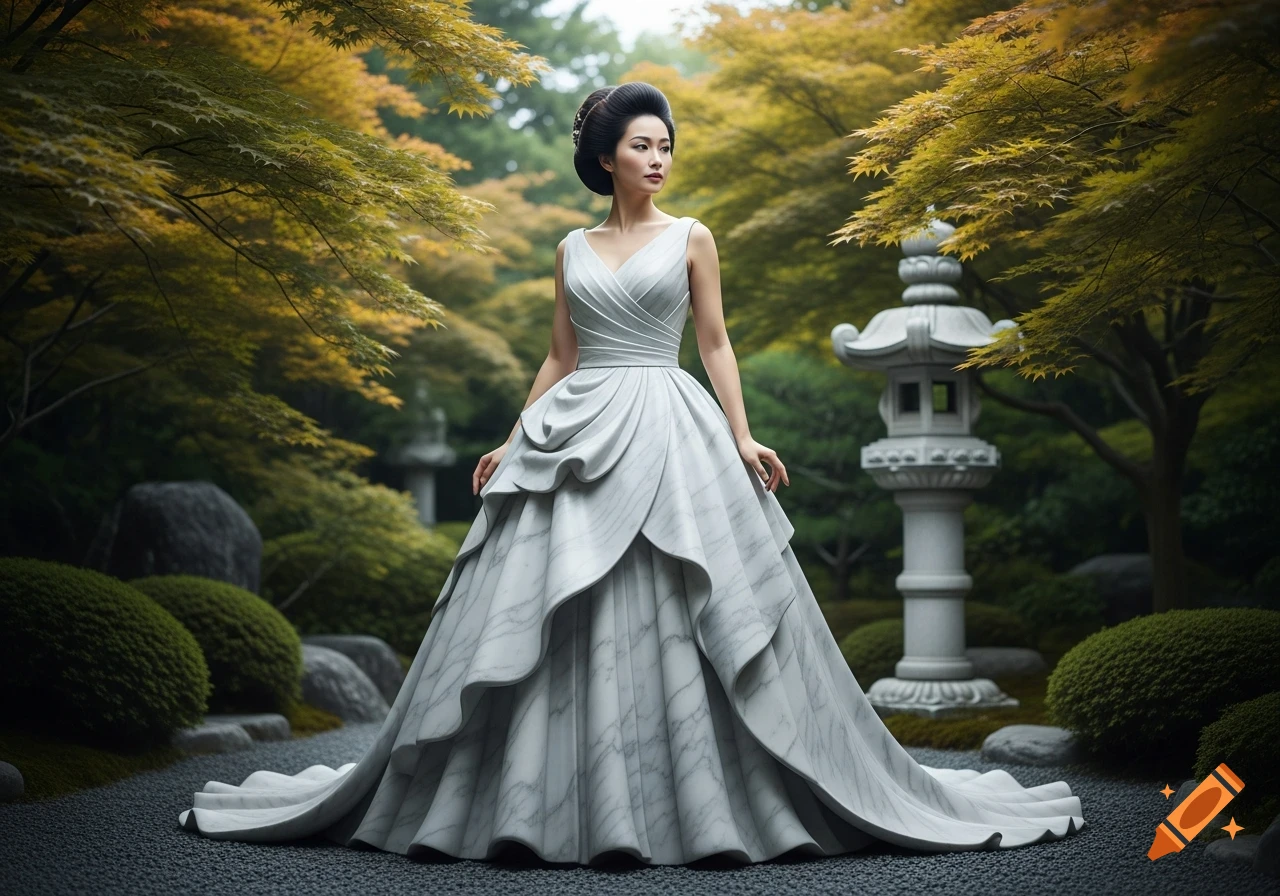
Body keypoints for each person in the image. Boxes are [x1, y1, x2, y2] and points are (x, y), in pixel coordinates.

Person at [177, 81, 1086, 866]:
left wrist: (741, 436)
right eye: (643, 145)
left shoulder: (693, 235)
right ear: (605, 157)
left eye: (666, 146)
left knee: (694, 596)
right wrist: (513, 434)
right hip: (575, 427)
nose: (659, 159)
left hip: (670, 416)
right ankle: (525, 804)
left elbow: (717, 344)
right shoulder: (571, 249)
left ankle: (706, 796)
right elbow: (560, 356)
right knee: (547, 603)